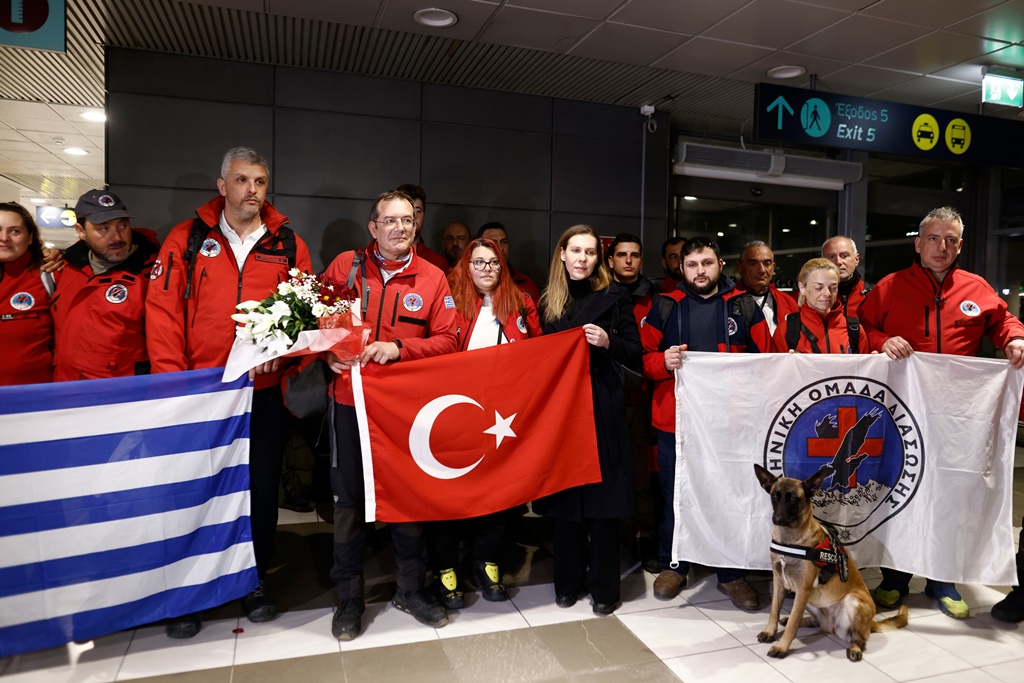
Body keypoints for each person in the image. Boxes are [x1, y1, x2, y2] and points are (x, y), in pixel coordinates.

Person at [146, 147, 313, 638]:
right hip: (202, 393)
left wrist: (290, 355)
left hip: (262, 393)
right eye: (242, 181)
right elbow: (161, 315)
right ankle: (191, 590)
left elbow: (307, 314)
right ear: (223, 186)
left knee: (260, 492)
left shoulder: (287, 244)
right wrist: (177, 385)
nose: (251, 191)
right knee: (198, 489)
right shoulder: (188, 238)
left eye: (259, 182)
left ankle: (252, 580)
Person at [859, 206, 1024, 620]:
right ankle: (895, 577)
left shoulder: (976, 287)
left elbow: (1004, 322)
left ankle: (942, 578)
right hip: (901, 412)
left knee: (949, 493)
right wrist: (882, 339)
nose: (941, 246)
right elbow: (860, 328)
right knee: (901, 489)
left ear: (960, 246)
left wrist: (1015, 340)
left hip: (957, 415)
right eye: (933, 238)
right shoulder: (890, 286)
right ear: (918, 243)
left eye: (950, 239)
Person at [321, 189, 457, 640]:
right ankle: (349, 597)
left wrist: (399, 348)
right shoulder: (346, 267)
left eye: (407, 221)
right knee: (349, 503)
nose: (400, 228)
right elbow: (313, 322)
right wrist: (326, 355)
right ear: (373, 227)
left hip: (405, 410)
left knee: (407, 499)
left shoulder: (434, 277)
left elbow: (448, 341)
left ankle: (411, 589)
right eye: (390, 221)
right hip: (348, 401)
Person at [641, 236, 771, 610]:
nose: (700, 271)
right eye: (693, 264)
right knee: (674, 494)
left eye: (707, 263)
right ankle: (674, 564)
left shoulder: (744, 306)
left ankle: (730, 572)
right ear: (681, 268)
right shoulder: (665, 306)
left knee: (728, 494)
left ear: (720, 265)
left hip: (730, 424)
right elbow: (645, 359)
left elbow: (768, 362)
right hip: (675, 422)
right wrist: (663, 363)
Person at [427, 237, 542, 609]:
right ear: (466, 265)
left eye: (493, 262)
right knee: (448, 496)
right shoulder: (449, 302)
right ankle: (445, 568)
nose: (487, 269)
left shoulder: (520, 303)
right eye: (479, 262)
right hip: (454, 415)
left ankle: (486, 562)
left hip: (499, 418)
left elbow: (539, 352)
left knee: (497, 494)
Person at [534, 224, 642, 616]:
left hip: (601, 405)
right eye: (575, 250)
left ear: (599, 258)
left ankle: (604, 588)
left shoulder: (615, 297)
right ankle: (567, 583)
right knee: (566, 500)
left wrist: (608, 342)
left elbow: (636, 352)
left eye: (590, 252)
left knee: (604, 501)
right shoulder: (547, 301)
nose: (582, 258)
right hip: (560, 410)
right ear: (562, 254)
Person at [51, 190, 160, 381]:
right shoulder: (66, 266)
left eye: (123, 225)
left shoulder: (153, 274)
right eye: (104, 228)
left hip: (118, 396)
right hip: (65, 388)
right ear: (81, 231)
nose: (117, 237)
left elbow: (165, 343)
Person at [606, 232, 660, 574]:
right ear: (610, 260)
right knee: (609, 473)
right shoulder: (600, 294)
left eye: (635, 255)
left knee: (641, 476)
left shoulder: (657, 299)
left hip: (641, 399)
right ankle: (616, 537)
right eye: (622, 255)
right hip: (605, 397)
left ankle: (646, 538)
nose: (628, 260)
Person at [0, 202, 53, 385]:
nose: (4, 238)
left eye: (15, 231)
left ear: (30, 237)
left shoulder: (49, 274)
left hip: (33, 398)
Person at [772, 258, 870, 354]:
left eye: (833, 287)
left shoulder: (854, 330)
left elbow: (864, 369)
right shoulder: (786, 331)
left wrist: (875, 362)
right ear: (802, 288)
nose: (827, 293)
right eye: (818, 287)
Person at [734, 240, 798, 335]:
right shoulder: (728, 303)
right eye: (753, 264)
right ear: (740, 268)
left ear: (773, 267)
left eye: (767, 264)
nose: (761, 270)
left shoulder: (788, 302)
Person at [477, 221, 542, 302]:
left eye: (504, 242)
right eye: (493, 242)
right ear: (478, 247)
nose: (500, 248)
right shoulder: (466, 283)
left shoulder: (527, 285)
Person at [396, 183, 449, 272]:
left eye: (418, 211)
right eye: (408, 210)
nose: (413, 216)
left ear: (424, 216)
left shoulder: (438, 263)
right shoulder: (380, 257)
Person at [822, 235, 871, 318]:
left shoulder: (872, 296)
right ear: (822, 262)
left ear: (856, 260)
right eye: (831, 257)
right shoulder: (811, 298)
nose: (838, 262)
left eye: (844, 256)